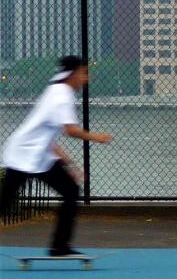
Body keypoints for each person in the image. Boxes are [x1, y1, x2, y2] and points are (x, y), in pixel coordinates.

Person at [1, 56, 113, 257]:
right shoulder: (62, 95)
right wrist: (97, 137)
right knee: (5, 202)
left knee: (71, 190)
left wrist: (70, 166)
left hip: (39, 155)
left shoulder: (56, 91)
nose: (86, 78)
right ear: (73, 74)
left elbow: (49, 136)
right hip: (22, 154)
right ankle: (59, 246)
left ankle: (59, 247)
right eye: (84, 73)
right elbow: (70, 130)